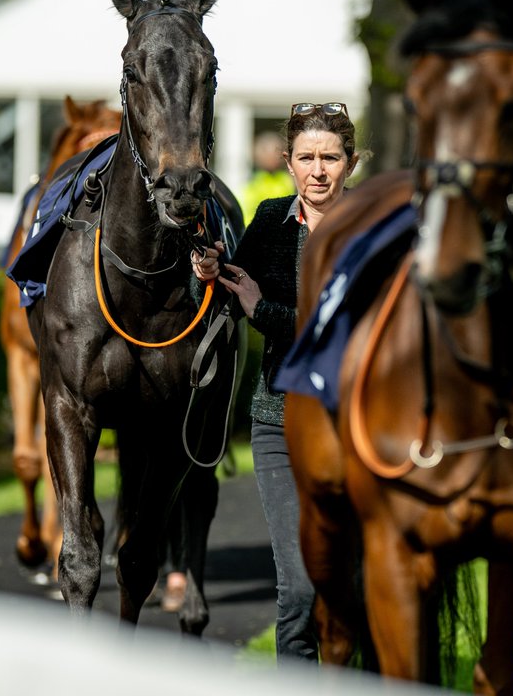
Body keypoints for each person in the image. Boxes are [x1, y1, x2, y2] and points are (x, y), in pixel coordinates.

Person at [192, 101, 359, 663]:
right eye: (306, 157)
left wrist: (261, 308)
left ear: (351, 164)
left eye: (330, 158)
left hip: (358, 429)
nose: (318, 170)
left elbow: (342, 329)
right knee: (299, 589)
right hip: (278, 422)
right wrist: (210, 277)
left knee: (355, 586)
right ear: (288, 163)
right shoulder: (268, 219)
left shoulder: (373, 229)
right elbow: (226, 305)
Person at [238, 130, 293, 223]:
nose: (274, 157)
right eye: (268, 153)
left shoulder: (287, 179)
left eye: (276, 153)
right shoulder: (253, 183)